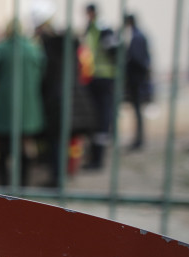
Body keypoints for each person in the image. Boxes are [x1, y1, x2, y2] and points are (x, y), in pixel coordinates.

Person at [32, 0, 96, 186]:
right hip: (71, 96)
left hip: (55, 99)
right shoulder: (69, 44)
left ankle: (57, 178)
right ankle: (64, 173)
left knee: (57, 141)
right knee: (66, 139)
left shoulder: (49, 47)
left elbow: (45, 75)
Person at [0, 20, 46, 187]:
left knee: (3, 147)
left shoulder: (1, 49)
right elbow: (42, 71)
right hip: (28, 107)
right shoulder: (33, 48)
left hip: (5, 106)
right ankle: (23, 183)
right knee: (25, 146)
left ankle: (4, 183)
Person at [83, 3, 118, 170]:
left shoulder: (103, 28)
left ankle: (98, 159)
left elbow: (115, 52)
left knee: (102, 119)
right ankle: (94, 156)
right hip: (92, 78)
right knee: (95, 118)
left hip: (104, 78)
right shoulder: (90, 28)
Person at [124, 13, 150, 151]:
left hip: (137, 80)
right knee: (138, 111)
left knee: (138, 111)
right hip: (138, 79)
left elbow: (137, 59)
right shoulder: (138, 35)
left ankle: (139, 141)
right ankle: (138, 140)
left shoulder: (136, 37)